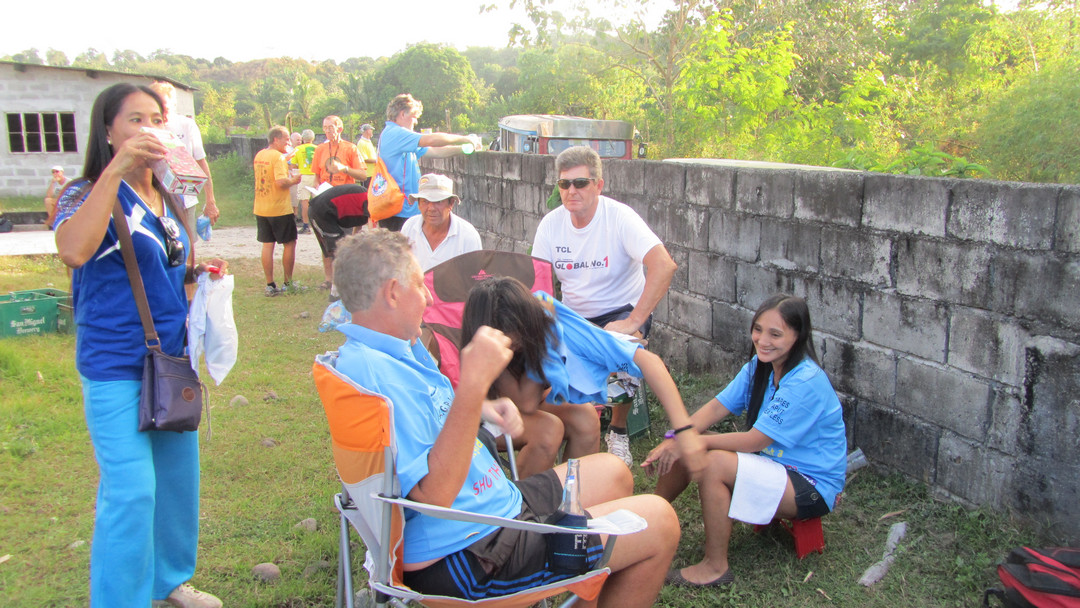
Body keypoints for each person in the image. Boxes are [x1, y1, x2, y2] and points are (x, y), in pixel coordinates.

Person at [330, 229, 680, 606]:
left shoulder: (391, 353)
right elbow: (434, 494)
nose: (429, 297)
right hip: (473, 555)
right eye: (419, 284)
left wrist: (481, 407)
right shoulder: (380, 376)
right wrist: (473, 385)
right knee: (659, 521)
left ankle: (581, 573)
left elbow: (430, 417)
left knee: (614, 471)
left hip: (494, 508)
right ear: (393, 293)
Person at [52, 82, 227, 608]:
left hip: (170, 363)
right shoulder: (85, 192)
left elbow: (168, 269)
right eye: (135, 120)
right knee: (131, 492)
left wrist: (199, 273)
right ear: (108, 132)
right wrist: (114, 171)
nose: (149, 129)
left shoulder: (168, 194)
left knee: (175, 486)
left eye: (156, 119)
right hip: (115, 366)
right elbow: (73, 251)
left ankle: (167, 583)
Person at [643, 294, 847, 588]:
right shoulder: (760, 366)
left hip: (811, 486)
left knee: (712, 461)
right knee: (690, 442)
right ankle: (648, 519)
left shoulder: (805, 381)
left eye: (775, 334)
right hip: (773, 466)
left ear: (798, 336)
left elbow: (754, 442)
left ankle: (715, 567)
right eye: (758, 329)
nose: (763, 340)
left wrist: (695, 443)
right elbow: (717, 407)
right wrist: (679, 437)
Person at [461, 276, 707, 480]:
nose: (513, 344)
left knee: (585, 418)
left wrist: (684, 430)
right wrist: (543, 350)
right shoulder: (485, 341)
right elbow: (523, 402)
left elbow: (648, 361)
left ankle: (571, 501)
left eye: (520, 337)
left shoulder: (550, 323)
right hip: (480, 415)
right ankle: (524, 510)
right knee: (548, 429)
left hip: (527, 405)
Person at [532, 146, 677, 468]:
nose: (572, 191)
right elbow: (538, 282)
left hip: (619, 308)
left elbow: (664, 265)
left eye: (580, 183)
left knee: (624, 345)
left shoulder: (619, 217)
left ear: (598, 185)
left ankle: (618, 430)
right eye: (564, 184)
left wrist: (634, 320)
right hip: (574, 313)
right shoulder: (551, 225)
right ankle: (567, 422)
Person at [377, 94, 480, 232]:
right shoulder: (395, 133)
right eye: (414, 118)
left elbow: (433, 151)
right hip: (398, 212)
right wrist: (464, 139)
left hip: (405, 210)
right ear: (402, 114)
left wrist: (463, 149)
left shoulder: (399, 138)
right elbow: (431, 140)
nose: (415, 123)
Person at [147, 81, 219, 230]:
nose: (162, 112)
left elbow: (201, 162)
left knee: (186, 241)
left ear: (173, 104)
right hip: (153, 199)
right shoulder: (147, 129)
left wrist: (210, 200)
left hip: (185, 199)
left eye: (164, 106)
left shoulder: (186, 125)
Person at [254, 125, 302, 296]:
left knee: (268, 244)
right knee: (289, 243)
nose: (288, 142)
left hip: (261, 207)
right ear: (276, 139)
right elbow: (281, 182)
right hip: (279, 208)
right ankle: (288, 283)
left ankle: (270, 284)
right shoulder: (278, 157)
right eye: (286, 139)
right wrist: (294, 180)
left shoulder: (260, 155)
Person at [400, 173, 482, 271]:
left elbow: (475, 276)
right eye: (425, 201)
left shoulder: (468, 236)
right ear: (419, 204)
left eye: (438, 201)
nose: (431, 208)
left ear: (451, 204)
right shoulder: (409, 227)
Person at [308, 183, 369, 297]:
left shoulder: (363, 200)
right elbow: (373, 229)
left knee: (342, 251)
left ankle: (342, 288)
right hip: (321, 212)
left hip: (324, 211)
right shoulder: (370, 201)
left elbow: (359, 225)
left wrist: (353, 243)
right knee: (338, 253)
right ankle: (336, 293)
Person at [312, 115, 365, 188]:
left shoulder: (351, 148)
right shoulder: (320, 149)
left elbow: (363, 175)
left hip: (344, 191)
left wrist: (344, 168)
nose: (327, 131)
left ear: (339, 129)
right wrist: (316, 185)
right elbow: (317, 176)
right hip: (325, 192)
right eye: (325, 128)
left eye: (330, 128)